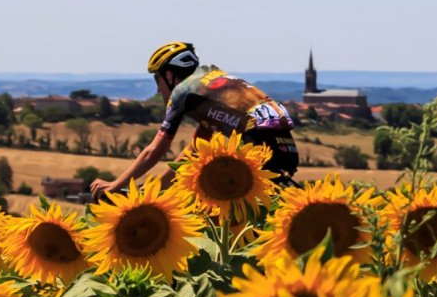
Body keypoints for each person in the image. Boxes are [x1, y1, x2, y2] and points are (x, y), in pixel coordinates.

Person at [91, 42, 300, 198]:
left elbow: (154, 151)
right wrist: (153, 189)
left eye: (157, 80)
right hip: (285, 148)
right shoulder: (210, 82)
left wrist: (115, 185)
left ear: (170, 76)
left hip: (258, 146)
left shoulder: (183, 91)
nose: (157, 89)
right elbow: (194, 150)